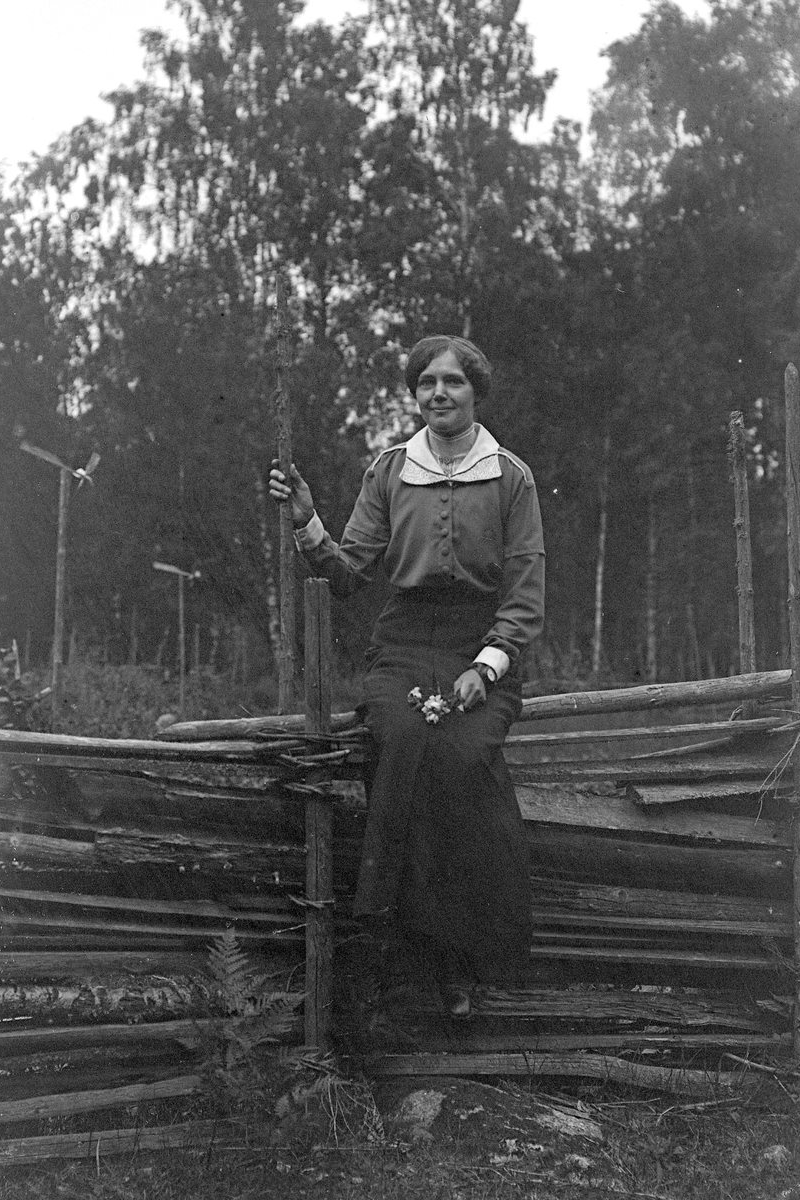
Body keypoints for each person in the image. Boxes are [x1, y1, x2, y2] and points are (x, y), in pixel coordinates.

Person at [268, 335, 545, 1017]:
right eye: (426, 382)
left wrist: (488, 665)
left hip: (480, 644)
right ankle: (395, 948)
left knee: (462, 755)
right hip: (403, 645)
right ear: (415, 393)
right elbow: (349, 574)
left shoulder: (511, 476)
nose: (438, 394)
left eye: (453, 382)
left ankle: (460, 957)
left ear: (476, 393)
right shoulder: (391, 470)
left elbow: (524, 591)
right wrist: (307, 523)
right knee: (400, 740)